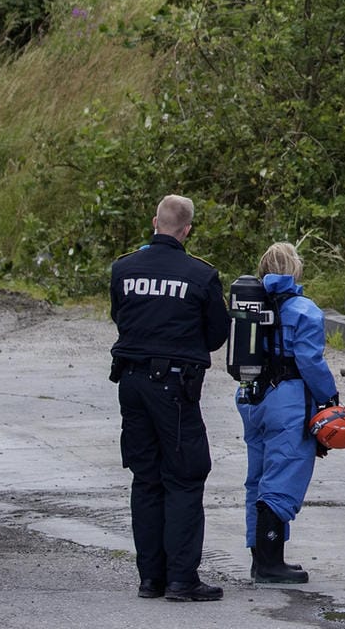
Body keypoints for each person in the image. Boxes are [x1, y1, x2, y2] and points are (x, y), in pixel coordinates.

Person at [108, 194, 229, 602]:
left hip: (132, 385)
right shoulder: (200, 275)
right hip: (174, 390)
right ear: (187, 230)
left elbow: (119, 315)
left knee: (146, 479)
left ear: (154, 222)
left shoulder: (123, 268)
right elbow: (216, 335)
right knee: (184, 476)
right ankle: (181, 579)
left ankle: (150, 578)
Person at [236, 241, 338, 585]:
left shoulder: (250, 305)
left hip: (252, 399)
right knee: (282, 479)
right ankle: (270, 565)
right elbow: (310, 360)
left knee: (258, 479)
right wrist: (329, 397)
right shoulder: (304, 311)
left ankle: (262, 558)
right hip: (288, 403)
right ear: (295, 269)